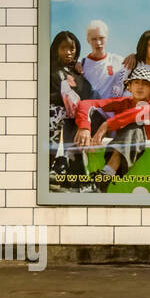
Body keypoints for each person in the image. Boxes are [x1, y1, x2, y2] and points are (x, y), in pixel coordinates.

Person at [72, 65, 150, 193]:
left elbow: (138, 113)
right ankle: (78, 171)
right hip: (119, 158)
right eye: (136, 82)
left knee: (135, 124)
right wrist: (84, 127)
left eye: (145, 84)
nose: (139, 86)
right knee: (89, 115)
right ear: (129, 86)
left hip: (147, 156)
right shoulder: (124, 101)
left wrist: (107, 125)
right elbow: (86, 104)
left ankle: (104, 177)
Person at [49, 30, 94, 183]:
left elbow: (86, 96)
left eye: (72, 48)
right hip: (55, 117)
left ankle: (70, 166)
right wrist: (62, 97)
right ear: (56, 49)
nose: (68, 52)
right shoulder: (48, 69)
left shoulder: (79, 73)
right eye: (63, 48)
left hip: (78, 118)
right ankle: (59, 161)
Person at [78, 19, 127, 99]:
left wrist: (133, 56)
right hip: (90, 110)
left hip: (112, 110)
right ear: (88, 40)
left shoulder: (118, 61)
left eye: (101, 38)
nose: (98, 42)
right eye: (94, 39)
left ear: (107, 38)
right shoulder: (81, 65)